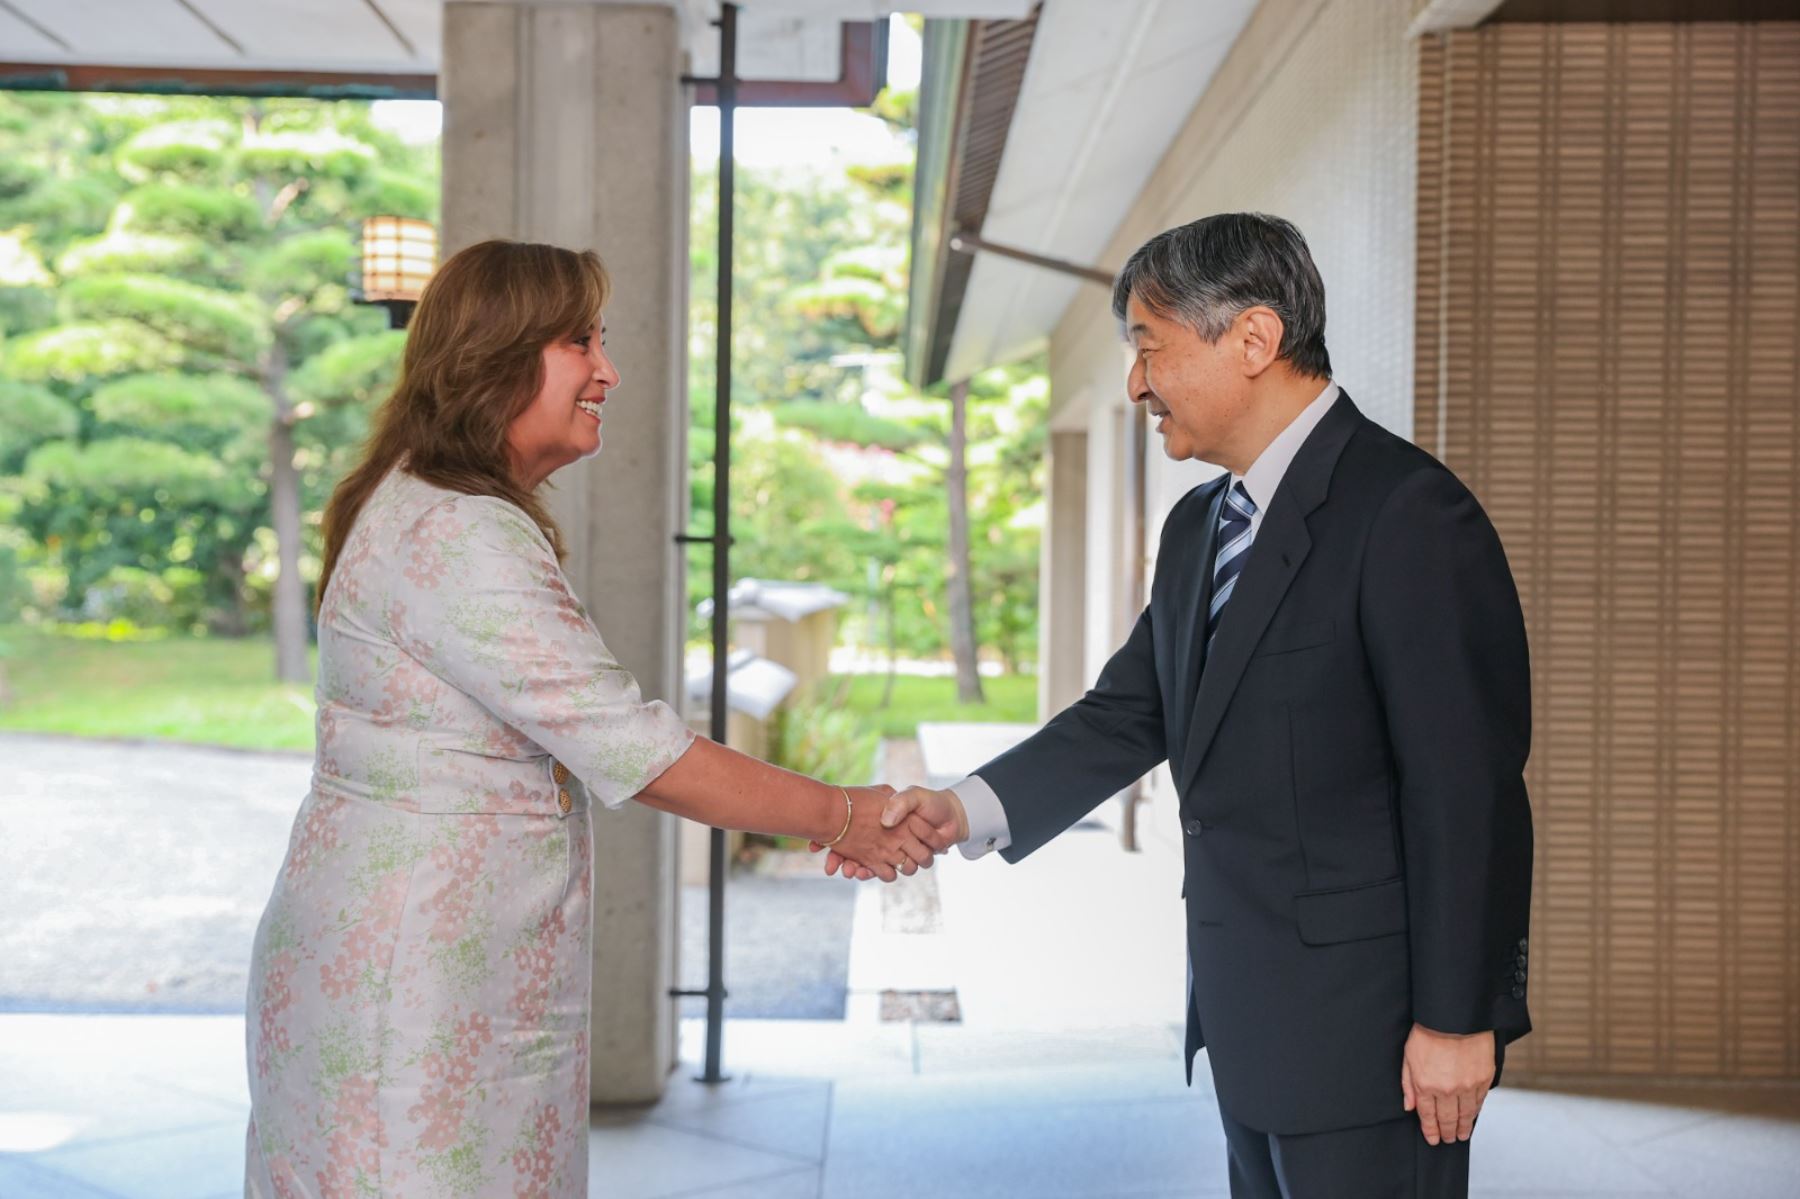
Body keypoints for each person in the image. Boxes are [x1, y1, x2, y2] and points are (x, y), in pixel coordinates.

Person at [243, 239, 950, 1198]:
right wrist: (846, 815)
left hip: (415, 965)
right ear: (496, 355)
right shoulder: (457, 532)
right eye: (582, 342)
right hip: (412, 989)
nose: (608, 370)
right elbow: (638, 749)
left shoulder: (423, 499)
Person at [864, 213, 1534, 1198]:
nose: (1135, 382)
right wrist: (962, 807)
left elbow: (1465, 791)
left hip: (1378, 1040)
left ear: (1253, 341)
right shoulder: (1199, 525)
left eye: (1148, 346)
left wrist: (1456, 1018)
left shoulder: (1408, 515)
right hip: (1247, 1023)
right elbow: (1131, 710)